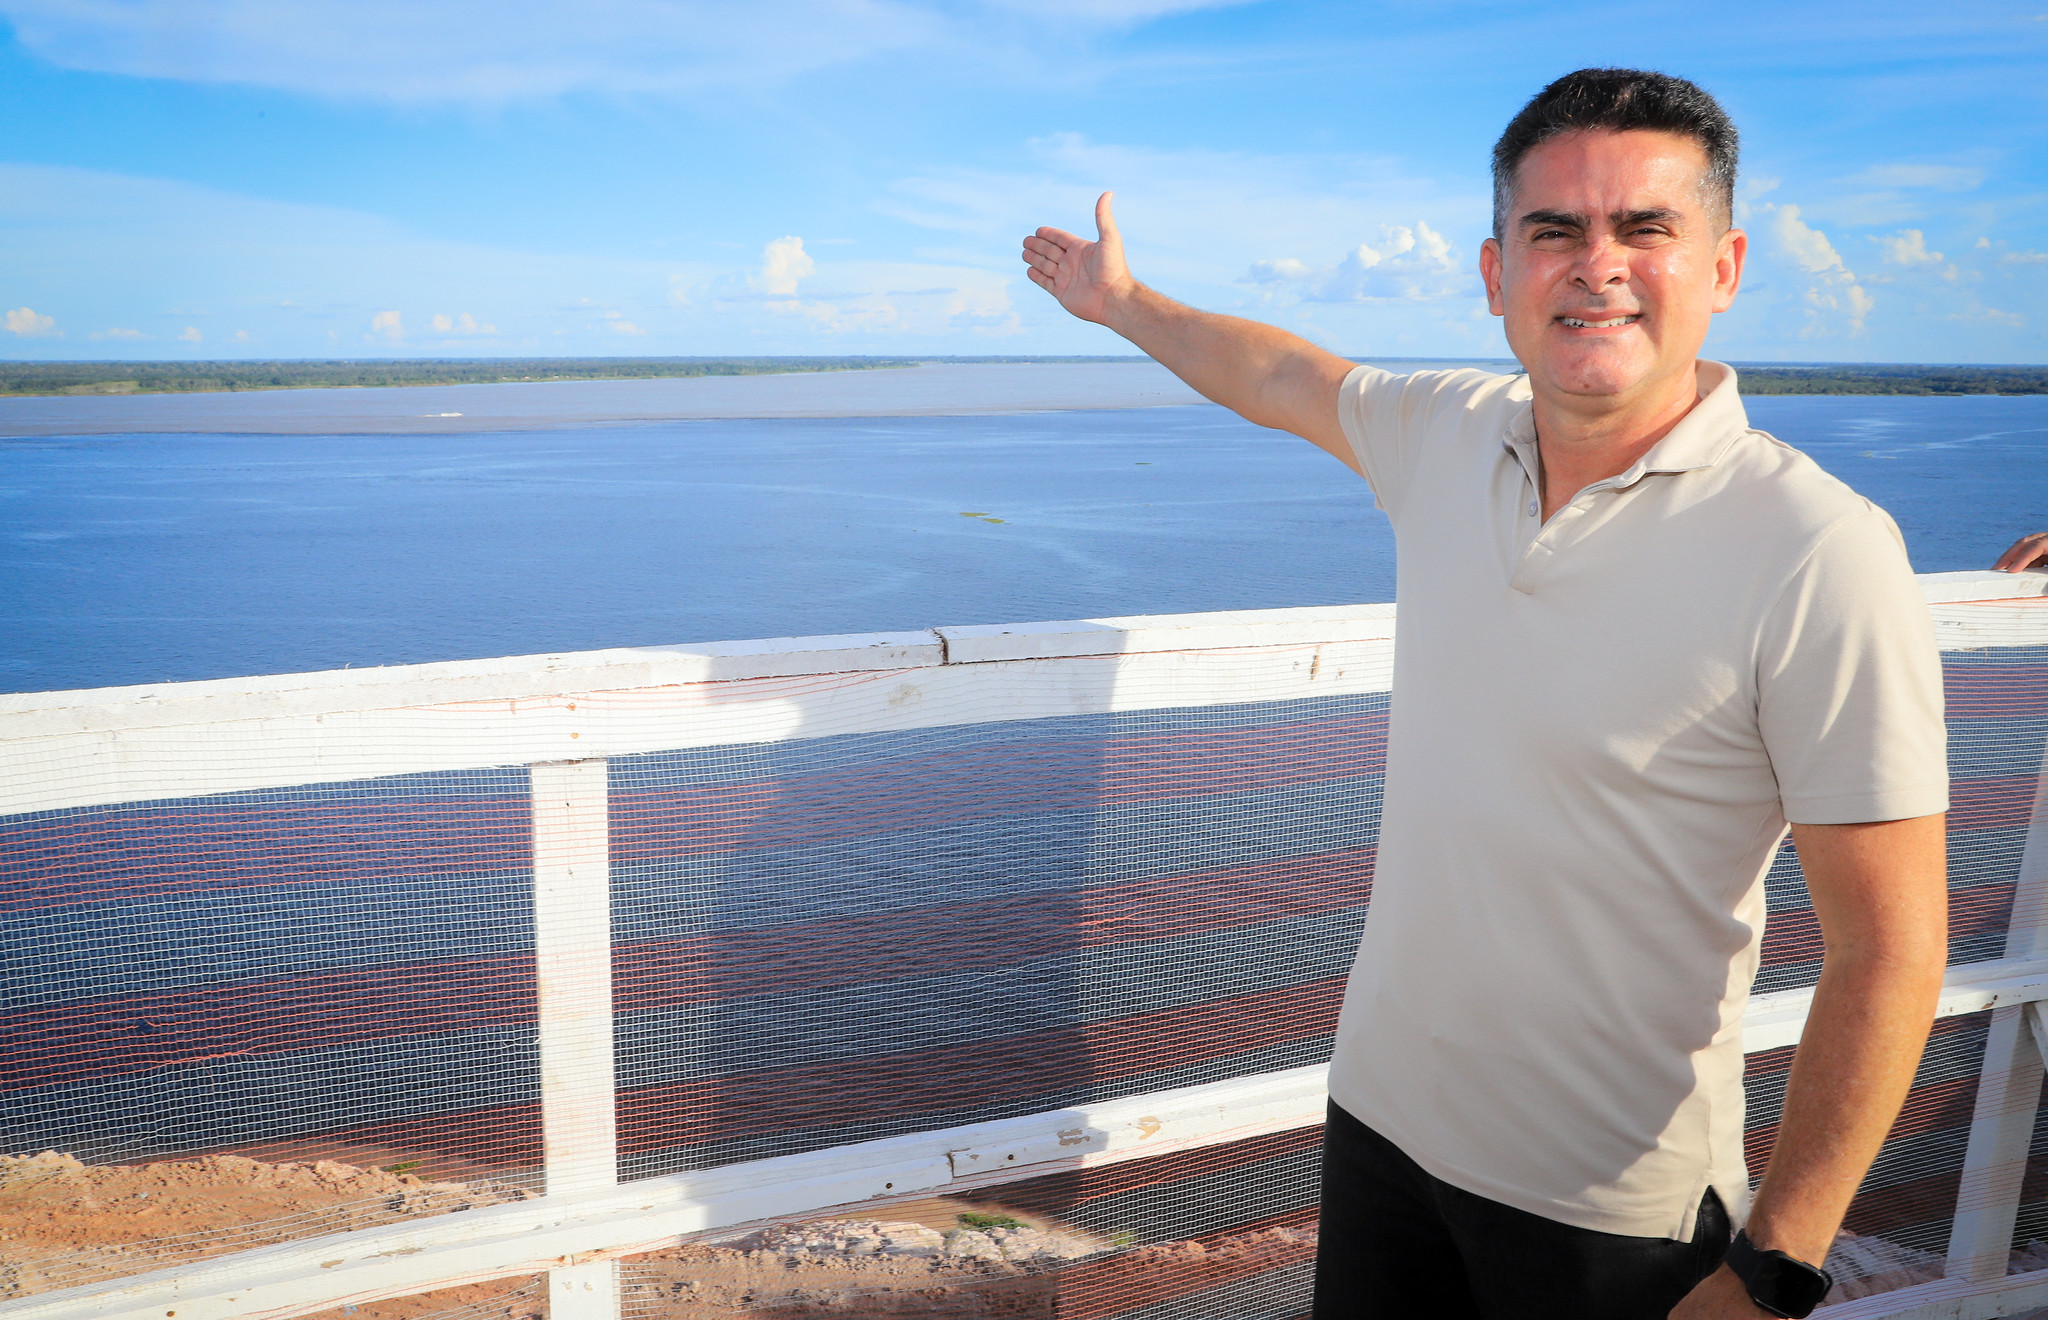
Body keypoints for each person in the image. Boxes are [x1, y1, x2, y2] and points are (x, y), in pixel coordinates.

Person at [1022, 69, 1949, 1320]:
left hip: (1607, 1209)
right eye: (1553, 229)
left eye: (1644, 228)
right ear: (1494, 271)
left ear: (1723, 268)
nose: (1596, 265)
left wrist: (1773, 1268)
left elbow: (1888, 949)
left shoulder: (1816, 550)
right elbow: (1280, 372)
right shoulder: (1448, 435)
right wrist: (1123, 304)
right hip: (1382, 1129)